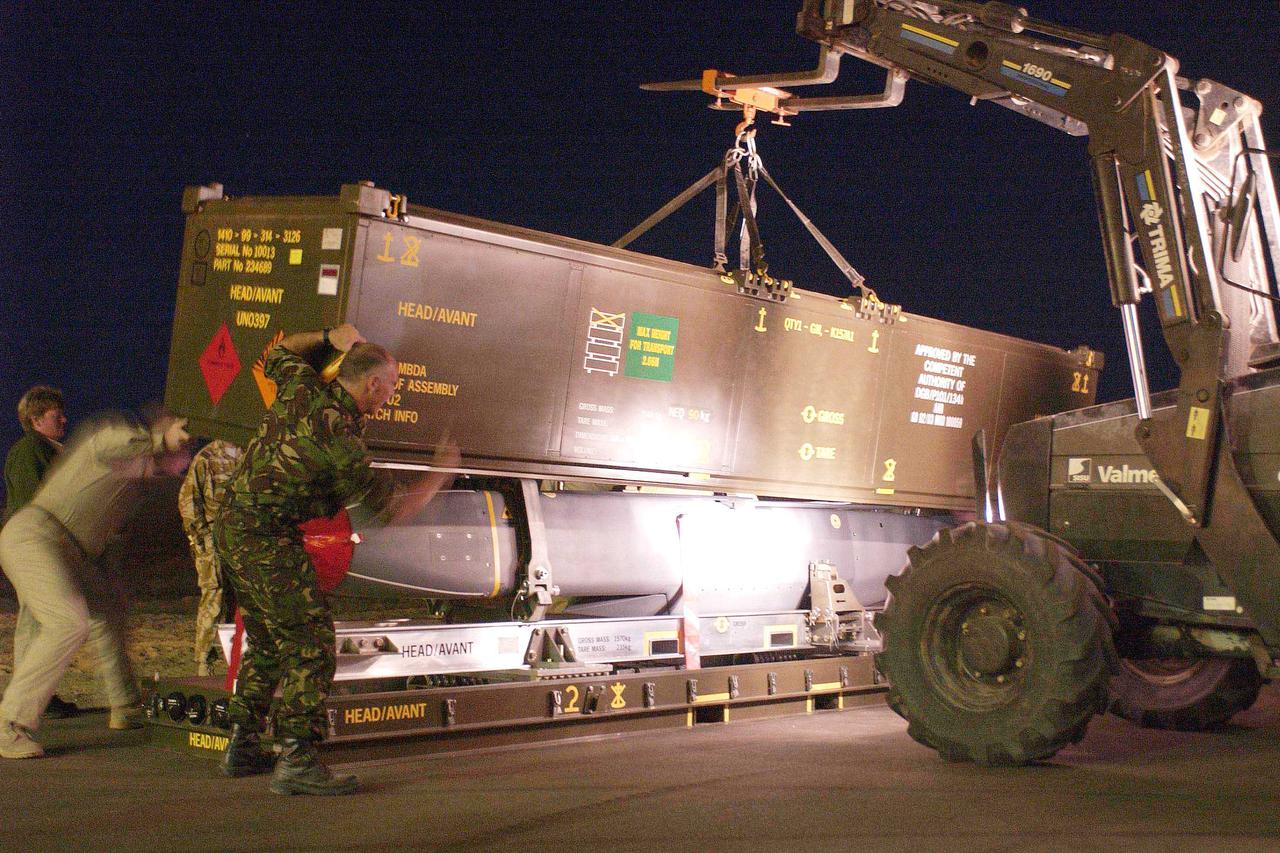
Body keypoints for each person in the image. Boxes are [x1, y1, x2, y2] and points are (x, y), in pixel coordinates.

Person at [215, 324, 455, 795]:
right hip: (267, 538)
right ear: (371, 385)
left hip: (234, 527)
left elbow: (280, 351)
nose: (391, 396)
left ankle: (243, 745)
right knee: (311, 644)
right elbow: (392, 510)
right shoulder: (341, 441)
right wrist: (439, 476)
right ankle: (298, 759)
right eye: (391, 387)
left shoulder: (303, 388)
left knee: (268, 639)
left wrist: (329, 335)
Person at [0, 411, 191, 759]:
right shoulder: (116, 439)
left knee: (108, 608)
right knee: (67, 623)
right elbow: (110, 443)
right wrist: (161, 439)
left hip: (69, 550)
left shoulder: (136, 475)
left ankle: (126, 704)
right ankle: (10, 725)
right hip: (37, 535)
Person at [3, 385, 78, 719]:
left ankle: (35, 697)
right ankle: (25, 705)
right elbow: (37, 500)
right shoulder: (30, 450)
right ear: (35, 420)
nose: (63, 418)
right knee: (57, 623)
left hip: (36, 545)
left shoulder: (46, 449)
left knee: (34, 622)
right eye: (54, 415)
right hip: (33, 546)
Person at [177, 439, 242, 677]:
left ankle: (237, 658)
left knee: (240, 599)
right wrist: (201, 537)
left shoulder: (248, 452)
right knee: (214, 596)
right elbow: (188, 500)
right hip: (212, 538)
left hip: (240, 538)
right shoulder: (207, 457)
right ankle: (204, 660)